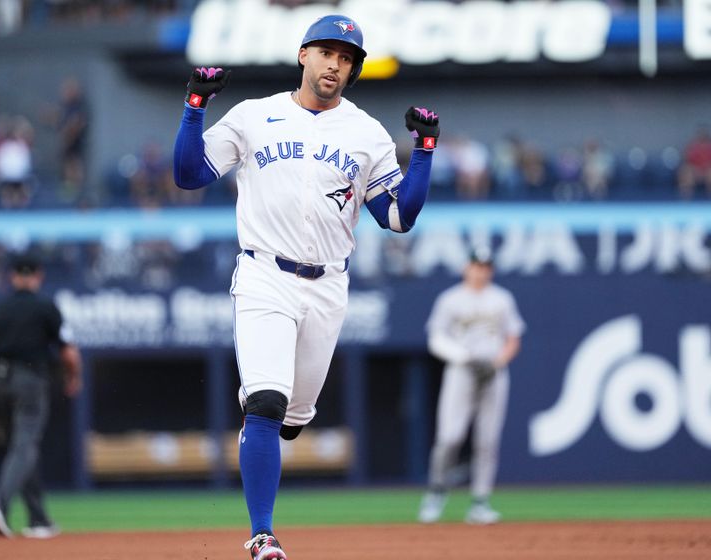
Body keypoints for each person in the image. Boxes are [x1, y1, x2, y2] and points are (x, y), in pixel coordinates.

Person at [173, 14, 439, 560]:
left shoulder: (365, 132)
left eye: (346, 59)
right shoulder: (254, 116)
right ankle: (262, 534)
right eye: (327, 53)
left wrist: (426, 150)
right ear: (303, 55)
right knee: (266, 403)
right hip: (264, 274)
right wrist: (194, 108)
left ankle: (272, 422)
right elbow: (190, 174)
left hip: (327, 287)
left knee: (291, 419)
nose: (335, 66)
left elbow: (396, 218)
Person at [0, 251, 82, 539]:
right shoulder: (46, 307)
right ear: (38, 276)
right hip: (30, 379)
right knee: (25, 444)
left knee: (22, 446)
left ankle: (38, 519)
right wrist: (74, 376)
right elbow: (69, 351)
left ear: (12, 277)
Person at [418, 247, 525, 525]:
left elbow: (513, 337)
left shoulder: (502, 299)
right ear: (467, 267)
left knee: (487, 440)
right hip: (461, 370)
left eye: (486, 266)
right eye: (477, 265)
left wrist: (498, 362)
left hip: (493, 371)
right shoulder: (451, 300)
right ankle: (436, 492)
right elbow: (436, 339)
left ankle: (480, 502)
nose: (481, 270)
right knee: (450, 436)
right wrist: (464, 358)